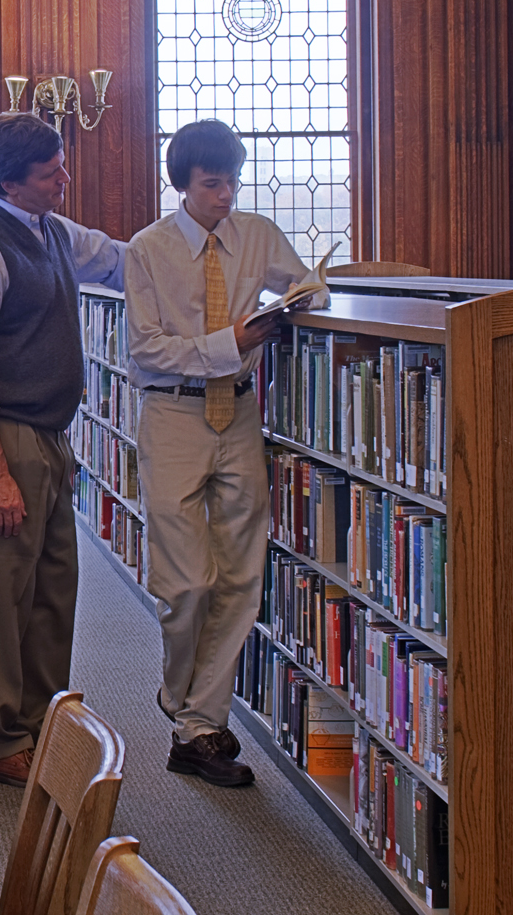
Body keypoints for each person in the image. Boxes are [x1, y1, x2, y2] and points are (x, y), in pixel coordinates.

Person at [122, 117, 321, 786]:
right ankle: (182, 696)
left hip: (238, 414)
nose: (226, 194)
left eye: (233, 179)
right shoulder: (147, 249)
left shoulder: (257, 234)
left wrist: (301, 299)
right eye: (212, 183)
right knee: (186, 582)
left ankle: (198, 725)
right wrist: (230, 340)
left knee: (240, 577)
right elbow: (147, 348)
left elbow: (306, 285)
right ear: (183, 184)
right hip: (173, 413)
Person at [0, 110, 124, 784]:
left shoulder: (53, 232)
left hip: (48, 437)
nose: (64, 180)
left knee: (52, 587)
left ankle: (42, 723)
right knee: (1, 595)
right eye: (51, 174)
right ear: (10, 182)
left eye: (61, 167)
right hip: (0, 438)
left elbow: (123, 261)